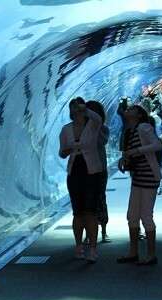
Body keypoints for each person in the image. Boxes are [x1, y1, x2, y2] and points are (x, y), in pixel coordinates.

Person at [116, 104, 162, 265]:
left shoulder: (143, 127)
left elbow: (157, 145)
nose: (128, 110)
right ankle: (133, 252)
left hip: (149, 175)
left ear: (139, 114)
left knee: (146, 216)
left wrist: (136, 151)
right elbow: (129, 150)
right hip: (137, 177)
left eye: (132, 109)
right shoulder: (130, 130)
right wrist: (125, 158)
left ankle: (151, 254)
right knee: (132, 215)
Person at [59, 98, 104, 263]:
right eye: (74, 108)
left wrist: (86, 110)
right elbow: (62, 153)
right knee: (77, 212)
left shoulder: (92, 125)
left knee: (90, 211)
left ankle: (92, 247)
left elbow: (98, 118)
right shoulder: (66, 130)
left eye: (79, 108)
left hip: (91, 171)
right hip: (74, 170)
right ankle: (78, 245)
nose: (76, 111)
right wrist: (68, 150)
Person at [85, 100, 111, 243]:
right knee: (87, 201)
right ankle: (89, 232)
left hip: (100, 169)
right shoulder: (81, 129)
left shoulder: (103, 129)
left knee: (100, 198)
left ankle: (103, 230)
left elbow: (100, 141)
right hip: (85, 170)